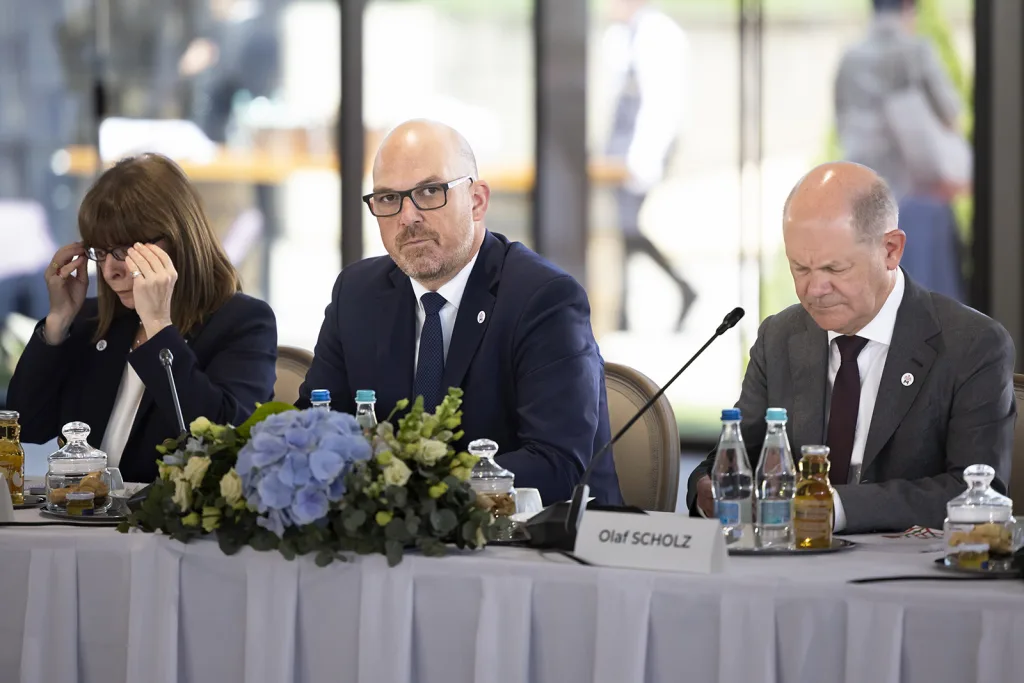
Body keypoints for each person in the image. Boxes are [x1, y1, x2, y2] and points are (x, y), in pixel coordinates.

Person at [298, 120, 623, 506]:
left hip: (539, 549)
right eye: (388, 199)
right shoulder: (357, 293)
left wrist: (419, 495)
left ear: (477, 201)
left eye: (430, 191)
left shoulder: (544, 299)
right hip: (390, 549)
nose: (408, 217)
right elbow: (312, 431)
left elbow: (556, 464)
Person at [686, 162, 1015, 533]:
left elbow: (976, 490)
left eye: (834, 269)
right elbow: (733, 456)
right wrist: (707, 490)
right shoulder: (780, 336)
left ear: (890, 250)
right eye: (800, 269)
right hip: (791, 570)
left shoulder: (972, 343)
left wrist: (831, 507)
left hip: (908, 575)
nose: (814, 289)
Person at [7, 153, 278, 484]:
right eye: (101, 253)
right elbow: (27, 427)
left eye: (124, 251)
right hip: (83, 518)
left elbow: (217, 444)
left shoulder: (243, 322)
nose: (110, 271)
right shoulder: (94, 321)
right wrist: (59, 321)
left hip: (167, 531)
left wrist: (159, 327)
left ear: (178, 238)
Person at [834, 0, 967, 300]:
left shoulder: (851, 57)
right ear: (909, 7)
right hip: (915, 197)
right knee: (930, 309)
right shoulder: (916, 51)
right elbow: (951, 113)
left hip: (862, 201)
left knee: (874, 303)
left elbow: (842, 123)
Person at [602, 0, 695, 331]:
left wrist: (643, 158)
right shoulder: (622, 35)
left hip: (639, 148)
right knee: (617, 226)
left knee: (626, 225)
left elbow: (661, 102)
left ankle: (682, 288)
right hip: (619, 145)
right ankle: (624, 312)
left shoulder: (658, 34)